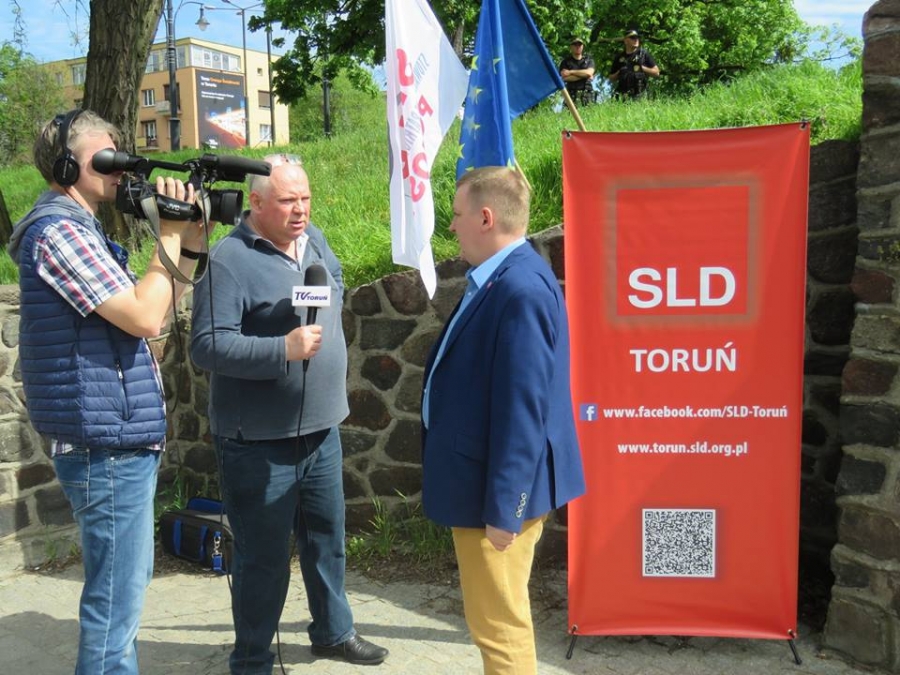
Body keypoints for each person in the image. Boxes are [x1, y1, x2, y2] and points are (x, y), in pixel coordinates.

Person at [8, 109, 208, 674]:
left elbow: (158, 307)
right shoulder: (59, 232)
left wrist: (190, 241)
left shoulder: (82, 229)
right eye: (106, 156)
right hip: (104, 444)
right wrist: (166, 234)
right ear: (66, 165)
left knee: (125, 586)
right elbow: (145, 316)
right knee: (115, 601)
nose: (120, 166)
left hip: (115, 438)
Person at [190, 154, 389, 674]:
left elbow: (332, 282)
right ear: (255, 203)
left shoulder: (313, 239)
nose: (300, 210)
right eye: (287, 201)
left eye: (305, 198)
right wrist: (282, 348)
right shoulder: (228, 261)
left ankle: (333, 632)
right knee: (263, 558)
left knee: (327, 540)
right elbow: (207, 346)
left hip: (321, 430)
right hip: (257, 442)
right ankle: (252, 660)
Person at [420, 166, 586, 675]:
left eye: (457, 214)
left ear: (486, 217)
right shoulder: (504, 276)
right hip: (482, 481)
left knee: (499, 629)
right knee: (494, 621)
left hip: (493, 492)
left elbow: (523, 409)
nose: (452, 226)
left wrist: (505, 508)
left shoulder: (519, 289)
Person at [609, 28, 660, 99]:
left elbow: (656, 72)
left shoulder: (643, 54)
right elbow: (611, 78)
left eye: (637, 38)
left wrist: (641, 67)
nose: (636, 40)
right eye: (632, 38)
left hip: (639, 94)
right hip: (622, 95)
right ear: (625, 41)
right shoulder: (619, 57)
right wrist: (620, 71)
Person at [559, 36, 596, 105]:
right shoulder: (565, 62)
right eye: (575, 44)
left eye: (579, 45)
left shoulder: (589, 60)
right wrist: (584, 75)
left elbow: (589, 73)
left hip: (587, 94)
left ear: (583, 47)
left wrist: (570, 72)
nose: (577, 47)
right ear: (571, 47)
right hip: (571, 94)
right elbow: (564, 78)